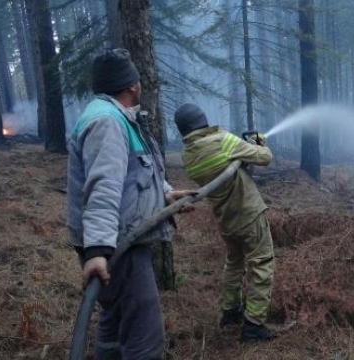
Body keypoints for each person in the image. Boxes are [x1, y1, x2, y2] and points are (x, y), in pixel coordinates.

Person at [67, 48, 190, 359]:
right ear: (132, 84)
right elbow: (103, 188)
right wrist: (98, 252)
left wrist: (165, 194)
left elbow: (133, 173)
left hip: (114, 241)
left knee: (114, 318)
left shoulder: (113, 118)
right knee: (144, 335)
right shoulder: (108, 122)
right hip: (119, 244)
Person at [174, 104, 277, 342]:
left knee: (234, 263)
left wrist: (241, 155)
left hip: (226, 220)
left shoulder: (188, 155)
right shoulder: (223, 141)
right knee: (261, 265)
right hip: (249, 214)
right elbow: (266, 158)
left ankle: (231, 312)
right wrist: (258, 144)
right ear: (204, 120)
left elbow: (224, 167)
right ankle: (254, 324)